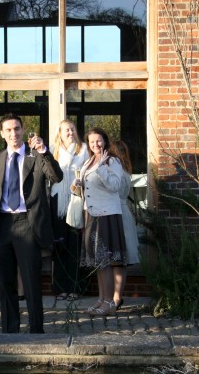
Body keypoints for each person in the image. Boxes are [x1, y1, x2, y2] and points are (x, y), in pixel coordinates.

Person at [0, 113, 63, 333]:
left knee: (31, 280)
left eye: (17, 129)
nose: (14, 134)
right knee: (5, 282)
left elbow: (57, 177)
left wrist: (43, 151)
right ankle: (10, 329)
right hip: (1, 224)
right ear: (2, 133)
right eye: (9, 130)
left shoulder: (36, 156)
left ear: (23, 130)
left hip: (27, 223)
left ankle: (36, 328)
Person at [73, 128, 126, 316]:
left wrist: (102, 168)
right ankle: (102, 299)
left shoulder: (112, 161)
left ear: (105, 141)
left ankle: (110, 302)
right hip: (91, 215)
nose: (96, 144)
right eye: (92, 141)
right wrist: (76, 186)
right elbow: (87, 188)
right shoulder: (88, 161)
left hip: (107, 215)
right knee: (98, 261)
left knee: (105, 260)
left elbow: (115, 186)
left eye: (99, 140)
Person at [50, 119, 89, 301]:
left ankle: (75, 287)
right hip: (58, 201)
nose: (70, 133)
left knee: (75, 246)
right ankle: (60, 288)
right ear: (60, 133)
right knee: (60, 245)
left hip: (76, 201)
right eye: (66, 130)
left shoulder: (84, 150)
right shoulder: (53, 150)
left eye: (72, 129)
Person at [111, 140, 141, 309]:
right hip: (123, 212)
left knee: (118, 260)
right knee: (120, 260)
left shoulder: (118, 173)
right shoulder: (125, 170)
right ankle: (117, 296)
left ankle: (115, 297)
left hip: (117, 214)